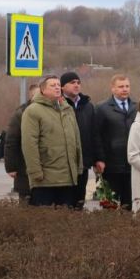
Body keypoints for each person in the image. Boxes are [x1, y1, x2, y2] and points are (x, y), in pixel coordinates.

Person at [21, 75, 83, 207]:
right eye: (52, 85)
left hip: (68, 177)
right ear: (43, 90)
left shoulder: (67, 109)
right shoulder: (33, 111)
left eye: (58, 85)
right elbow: (29, 144)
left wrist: (78, 166)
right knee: (45, 221)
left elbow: (76, 140)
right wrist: (35, 171)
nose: (57, 87)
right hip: (45, 179)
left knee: (65, 220)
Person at [95, 74, 136, 209]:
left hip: (132, 164)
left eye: (127, 86)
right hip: (111, 165)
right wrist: (99, 159)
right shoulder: (102, 108)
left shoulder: (137, 107)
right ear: (113, 89)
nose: (125, 89)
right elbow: (97, 136)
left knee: (130, 204)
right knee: (111, 204)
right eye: (121, 87)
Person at [60, 71, 98, 209]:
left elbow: (94, 134)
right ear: (62, 87)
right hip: (64, 164)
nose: (76, 85)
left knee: (79, 202)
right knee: (65, 202)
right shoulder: (58, 104)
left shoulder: (87, 106)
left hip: (83, 163)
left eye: (78, 82)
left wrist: (96, 159)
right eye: (72, 83)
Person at [4, 83, 40, 205]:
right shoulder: (21, 113)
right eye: (36, 94)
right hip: (23, 169)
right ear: (31, 95)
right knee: (26, 203)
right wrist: (11, 167)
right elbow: (11, 141)